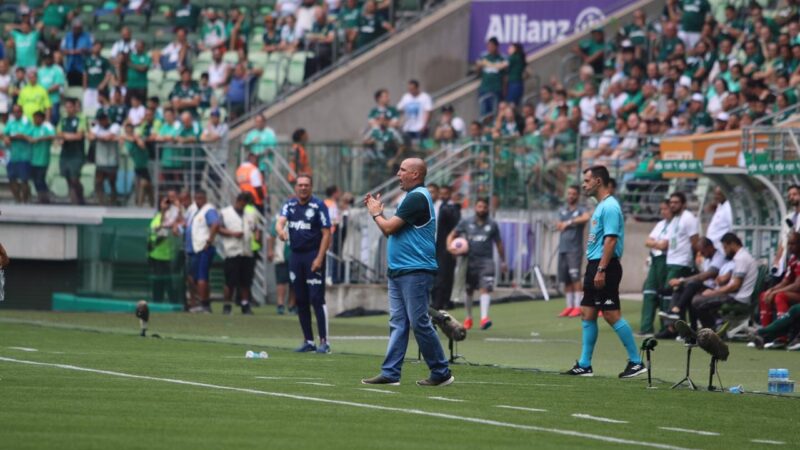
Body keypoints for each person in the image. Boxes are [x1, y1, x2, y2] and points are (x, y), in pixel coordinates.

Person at [362, 158, 454, 386]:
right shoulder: (413, 197)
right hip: (401, 270)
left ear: (415, 174)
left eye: (402, 170)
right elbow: (389, 232)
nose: (397, 174)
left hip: (415, 270)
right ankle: (391, 372)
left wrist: (376, 214)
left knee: (418, 322)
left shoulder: (416, 197)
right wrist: (379, 215)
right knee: (399, 322)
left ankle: (441, 372)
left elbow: (389, 227)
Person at [563, 165, 645, 379]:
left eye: (587, 181)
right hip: (595, 264)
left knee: (610, 314)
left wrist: (601, 269)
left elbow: (611, 240)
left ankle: (636, 362)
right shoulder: (601, 206)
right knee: (587, 312)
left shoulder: (610, 207)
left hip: (604, 265)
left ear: (598, 181)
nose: (583, 185)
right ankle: (584, 364)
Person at [276, 174, 332, 353]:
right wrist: (280, 231)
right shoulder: (289, 205)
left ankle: (324, 341)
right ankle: (308, 340)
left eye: (306, 185)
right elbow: (280, 222)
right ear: (295, 187)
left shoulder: (319, 206)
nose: (303, 188)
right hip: (296, 256)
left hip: (313, 255)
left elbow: (326, 233)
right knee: (300, 299)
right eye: (300, 185)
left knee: (316, 298)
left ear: (311, 187)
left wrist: (319, 258)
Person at [447, 198, 506, 330]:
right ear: (475, 208)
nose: (482, 209)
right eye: (479, 207)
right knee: (469, 290)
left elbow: (499, 243)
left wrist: (503, 261)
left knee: (485, 288)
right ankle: (469, 318)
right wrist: (450, 247)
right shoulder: (466, 222)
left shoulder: (492, 224)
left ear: (488, 209)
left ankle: (484, 318)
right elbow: (452, 235)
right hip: (469, 261)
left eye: (484, 207)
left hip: (486, 261)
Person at [690, 232, 759, 329]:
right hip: (735, 295)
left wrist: (713, 293)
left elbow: (735, 286)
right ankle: (715, 326)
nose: (724, 251)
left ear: (732, 244)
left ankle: (711, 331)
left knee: (697, 301)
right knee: (699, 298)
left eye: (725, 247)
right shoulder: (741, 257)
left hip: (737, 299)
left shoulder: (741, 258)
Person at [660, 237, 728, 335]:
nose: (701, 254)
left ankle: (676, 310)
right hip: (705, 286)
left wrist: (681, 280)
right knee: (680, 290)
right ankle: (676, 327)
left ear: (710, 247)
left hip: (715, 289)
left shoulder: (719, 257)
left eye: (702, 251)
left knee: (691, 285)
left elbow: (707, 275)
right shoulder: (708, 258)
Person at [219, 193, 259, 315]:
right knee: (230, 281)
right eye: (243, 203)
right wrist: (232, 233)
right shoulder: (225, 213)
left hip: (247, 251)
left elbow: (256, 228)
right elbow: (218, 228)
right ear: (238, 200)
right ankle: (227, 305)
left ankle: (245, 305)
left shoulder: (250, 213)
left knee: (246, 281)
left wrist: (257, 236)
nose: (244, 206)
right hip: (232, 251)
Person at [662, 192, 700, 321]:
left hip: (682, 261)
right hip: (672, 260)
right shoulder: (675, 219)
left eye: (676, 202)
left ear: (683, 204)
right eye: (671, 202)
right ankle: (677, 323)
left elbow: (695, 241)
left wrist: (694, 260)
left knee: (672, 289)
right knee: (677, 292)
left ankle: (672, 322)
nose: (672, 205)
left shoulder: (688, 218)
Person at [556, 185, 591, 318]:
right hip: (563, 248)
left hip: (574, 249)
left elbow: (587, 217)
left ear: (577, 196)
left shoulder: (581, 210)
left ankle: (578, 306)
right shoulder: (562, 210)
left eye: (573, 194)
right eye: (569, 193)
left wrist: (569, 222)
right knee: (566, 279)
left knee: (575, 277)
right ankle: (569, 306)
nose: (570, 196)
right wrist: (561, 224)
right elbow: (558, 224)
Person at [639, 200, 671, 335]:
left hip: (667, 261)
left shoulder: (675, 224)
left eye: (665, 209)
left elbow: (665, 246)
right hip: (655, 260)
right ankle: (646, 328)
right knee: (649, 291)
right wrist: (658, 244)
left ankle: (666, 328)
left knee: (665, 294)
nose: (663, 212)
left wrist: (655, 243)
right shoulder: (660, 224)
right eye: (661, 209)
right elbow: (647, 241)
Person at [185, 190, 220, 313]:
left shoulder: (208, 209)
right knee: (192, 277)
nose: (198, 200)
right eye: (196, 198)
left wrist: (209, 241)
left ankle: (204, 304)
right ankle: (200, 302)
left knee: (201, 277)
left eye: (201, 198)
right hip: (194, 248)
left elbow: (215, 224)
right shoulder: (194, 211)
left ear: (205, 198)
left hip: (203, 248)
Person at [759, 232, 800, 328]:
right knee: (764, 295)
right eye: (788, 244)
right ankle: (766, 332)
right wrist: (771, 290)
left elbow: (797, 285)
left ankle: (782, 335)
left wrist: (775, 292)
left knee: (780, 296)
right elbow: (785, 281)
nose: (790, 247)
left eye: (793, 244)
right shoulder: (793, 259)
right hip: (796, 293)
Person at [431, 184, 460, 311]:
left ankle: (439, 304)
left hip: (442, 247)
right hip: (427, 246)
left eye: (432, 192)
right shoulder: (425, 207)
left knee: (442, 276)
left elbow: (455, 226)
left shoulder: (447, 208)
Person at [149, 196, 178, 303]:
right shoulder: (157, 217)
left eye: (168, 203)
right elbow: (158, 230)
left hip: (168, 256)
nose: (166, 204)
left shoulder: (172, 218)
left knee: (170, 282)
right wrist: (163, 211)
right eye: (164, 202)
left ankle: (173, 302)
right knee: (158, 282)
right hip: (157, 256)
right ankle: (157, 302)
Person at [88, 111, 120, 206]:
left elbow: (109, 137)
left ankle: (113, 201)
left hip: (112, 160)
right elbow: (90, 137)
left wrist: (97, 137)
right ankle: (101, 201)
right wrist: (100, 137)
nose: (101, 122)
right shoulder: (97, 127)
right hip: (100, 160)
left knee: (112, 182)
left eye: (103, 119)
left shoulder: (115, 126)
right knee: (98, 182)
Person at [58, 98, 85, 205]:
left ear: (74, 107)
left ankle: (80, 196)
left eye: (70, 107)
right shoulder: (63, 120)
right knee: (67, 178)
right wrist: (67, 136)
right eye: (66, 107)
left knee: (75, 178)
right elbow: (59, 134)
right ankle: (75, 201)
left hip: (77, 153)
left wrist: (65, 136)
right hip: (65, 153)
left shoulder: (80, 119)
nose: (68, 109)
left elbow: (79, 136)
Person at [4, 104, 33, 203]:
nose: (16, 113)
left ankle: (25, 200)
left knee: (24, 180)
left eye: (18, 111)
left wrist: (12, 136)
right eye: (15, 111)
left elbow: (24, 135)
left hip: (24, 156)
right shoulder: (10, 123)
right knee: (12, 179)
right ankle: (18, 199)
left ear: (22, 112)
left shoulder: (26, 122)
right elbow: (5, 133)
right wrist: (6, 138)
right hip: (13, 156)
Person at [269, 211, 296, 315]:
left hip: (296, 255)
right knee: (281, 281)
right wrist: (270, 250)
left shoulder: (301, 217)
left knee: (294, 282)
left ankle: (292, 305)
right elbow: (271, 235)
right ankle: (280, 304)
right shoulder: (278, 218)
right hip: (281, 255)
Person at [120, 122, 152, 207]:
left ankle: (143, 205)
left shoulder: (137, 138)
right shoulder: (125, 140)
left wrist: (131, 138)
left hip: (145, 164)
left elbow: (142, 145)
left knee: (145, 185)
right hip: (136, 166)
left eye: (130, 130)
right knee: (142, 186)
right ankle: (141, 205)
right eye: (127, 130)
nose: (128, 132)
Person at [29, 110, 56, 204]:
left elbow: (53, 136)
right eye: (34, 118)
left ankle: (45, 197)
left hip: (43, 158)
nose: (35, 120)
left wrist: (40, 139)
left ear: (42, 118)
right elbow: (27, 135)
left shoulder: (46, 127)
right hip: (33, 159)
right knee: (35, 179)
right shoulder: (33, 127)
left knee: (40, 178)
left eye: (37, 118)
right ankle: (41, 197)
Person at [476, 37, 506, 118]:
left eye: (491, 46)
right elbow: (478, 71)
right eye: (488, 46)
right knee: (484, 114)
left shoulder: (502, 58)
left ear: (496, 46)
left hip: (496, 90)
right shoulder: (484, 56)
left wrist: (504, 91)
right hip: (484, 89)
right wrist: (479, 66)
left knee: (494, 114)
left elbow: (504, 76)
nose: (489, 48)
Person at [397, 79, 432, 144]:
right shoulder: (406, 97)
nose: (410, 91)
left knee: (424, 146)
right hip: (408, 128)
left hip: (420, 128)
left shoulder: (425, 97)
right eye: (409, 89)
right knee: (409, 147)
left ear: (417, 88)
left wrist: (424, 125)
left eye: (412, 89)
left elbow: (428, 112)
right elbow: (399, 108)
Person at [705, 186, 732, 250]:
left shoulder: (729, 208)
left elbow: (731, 227)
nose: (716, 197)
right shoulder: (720, 205)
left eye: (719, 194)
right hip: (712, 248)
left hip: (721, 248)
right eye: (715, 194)